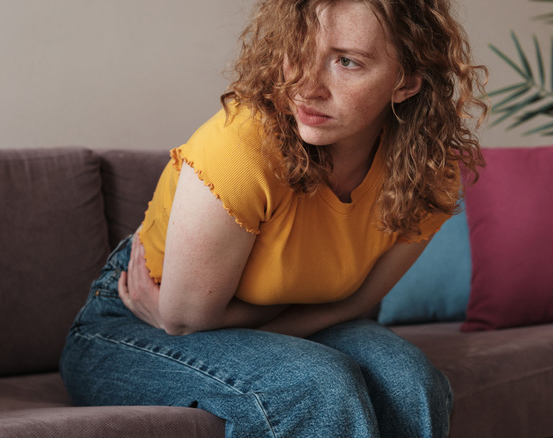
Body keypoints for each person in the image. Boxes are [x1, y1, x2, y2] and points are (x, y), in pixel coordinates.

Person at [59, 0, 487, 436]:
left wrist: (270, 319)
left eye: (346, 62)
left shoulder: (428, 174)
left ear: (406, 82)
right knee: (314, 384)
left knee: (407, 379)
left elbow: (358, 302)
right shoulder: (243, 146)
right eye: (299, 49)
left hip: (255, 319)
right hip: (130, 323)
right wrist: (284, 318)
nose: (307, 86)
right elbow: (185, 319)